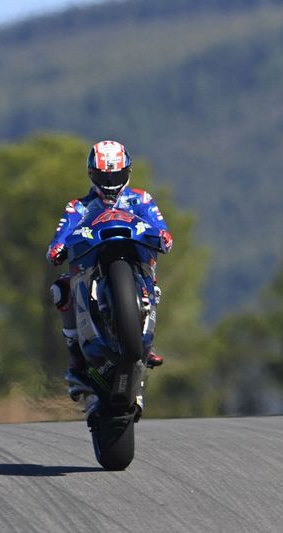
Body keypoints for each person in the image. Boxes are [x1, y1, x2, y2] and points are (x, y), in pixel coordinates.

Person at [45, 140, 173, 400]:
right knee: (61, 288)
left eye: (115, 174)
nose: (111, 180)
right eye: (105, 174)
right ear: (93, 173)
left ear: (127, 171)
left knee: (155, 284)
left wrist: (163, 236)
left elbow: (160, 225)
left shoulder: (141, 198)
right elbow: (63, 232)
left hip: (134, 259)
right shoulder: (78, 206)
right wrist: (57, 247)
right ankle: (75, 356)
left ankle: (144, 334)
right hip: (92, 260)